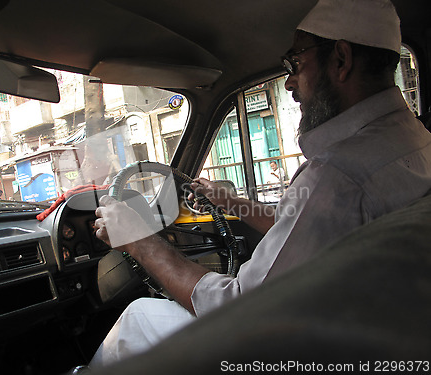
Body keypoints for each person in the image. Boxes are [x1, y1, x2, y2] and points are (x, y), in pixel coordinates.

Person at [89, 0, 431, 368]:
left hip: (301, 351)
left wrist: (139, 240)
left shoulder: (338, 175)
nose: (290, 82)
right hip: (366, 335)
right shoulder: (413, 140)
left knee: (137, 317)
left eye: (296, 63)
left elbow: (239, 307)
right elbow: (307, 232)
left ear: (341, 60)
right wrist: (231, 202)